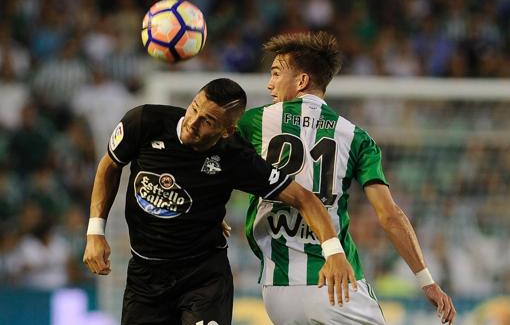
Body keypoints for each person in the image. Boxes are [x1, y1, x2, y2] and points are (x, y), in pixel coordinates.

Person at [82, 78, 357, 325]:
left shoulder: (235, 157)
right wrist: (95, 231)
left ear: (227, 131)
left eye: (208, 121)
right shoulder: (145, 121)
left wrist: (334, 252)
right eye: (194, 108)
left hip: (202, 276)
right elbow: (110, 166)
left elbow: (303, 198)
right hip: (145, 275)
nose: (193, 122)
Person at [236, 32, 456, 325]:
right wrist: (425, 279)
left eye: (276, 73)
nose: (269, 83)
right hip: (335, 282)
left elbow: (214, 166)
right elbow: (389, 216)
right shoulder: (356, 138)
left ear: (301, 81)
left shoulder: (253, 122)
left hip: (277, 291)